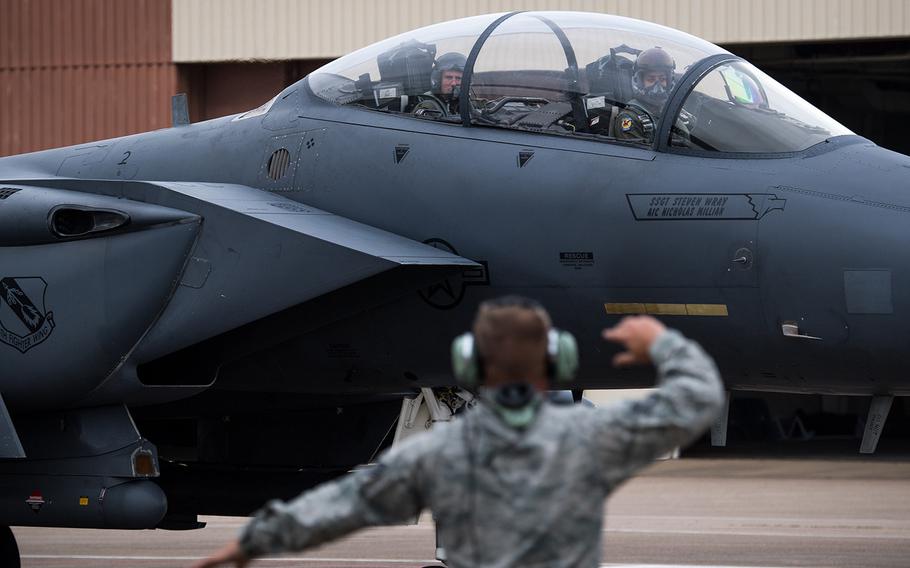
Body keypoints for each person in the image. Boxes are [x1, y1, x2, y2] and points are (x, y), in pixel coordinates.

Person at [193, 296, 724, 568]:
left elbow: (341, 505)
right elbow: (696, 398)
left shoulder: (442, 451)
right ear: (558, 363)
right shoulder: (591, 435)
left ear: (468, 366)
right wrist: (661, 343)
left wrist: (250, 544)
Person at [613, 47, 690, 143]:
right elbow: (636, 156)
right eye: (651, 79)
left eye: (662, 79)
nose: (657, 86)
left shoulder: (673, 110)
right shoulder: (630, 118)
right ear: (639, 81)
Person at [412, 52, 465, 117]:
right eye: (449, 77)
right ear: (439, 80)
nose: (454, 83)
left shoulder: (462, 103)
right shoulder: (428, 108)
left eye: (458, 78)